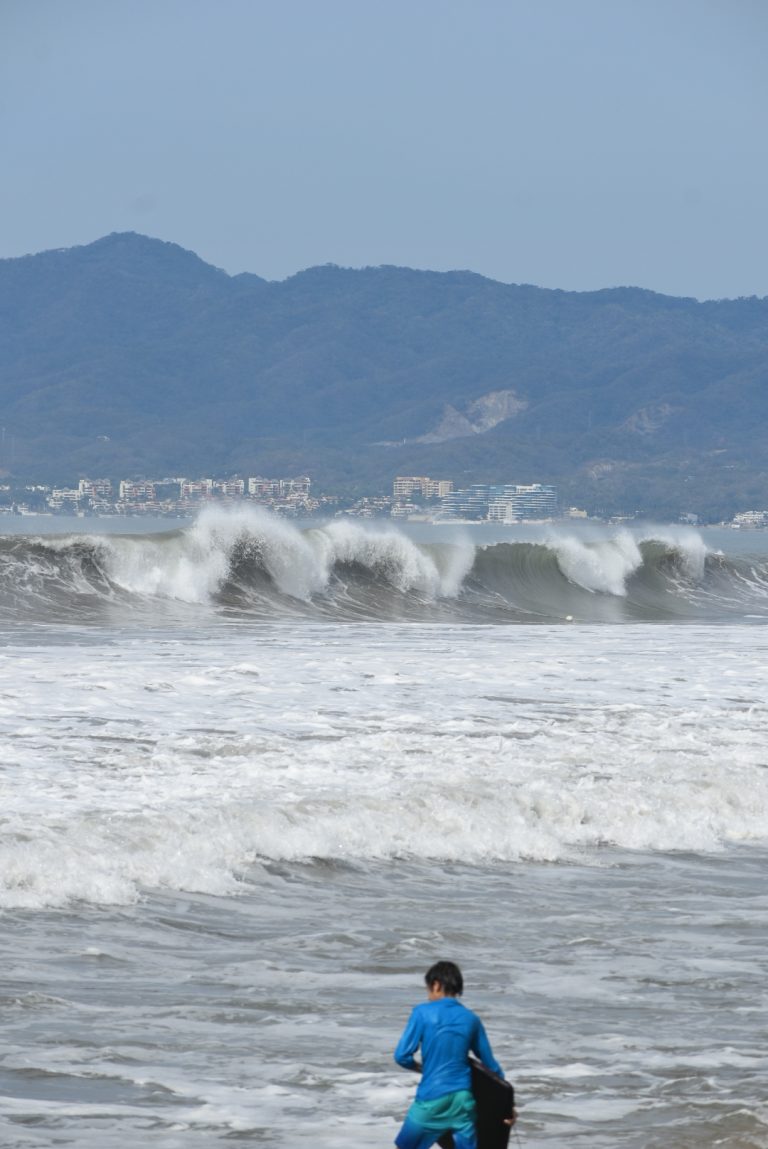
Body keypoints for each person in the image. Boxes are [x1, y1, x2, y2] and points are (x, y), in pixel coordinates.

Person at [393, 960, 513, 1149]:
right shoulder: (471, 1018)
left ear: (436, 985)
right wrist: (508, 1107)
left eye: (429, 989)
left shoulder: (422, 1012)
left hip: (432, 1098)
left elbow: (402, 1056)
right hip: (463, 1101)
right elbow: (492, 1066)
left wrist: (422, 1069)